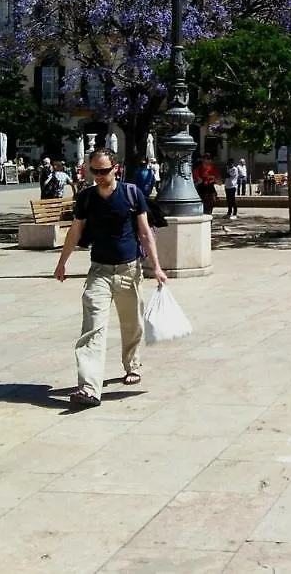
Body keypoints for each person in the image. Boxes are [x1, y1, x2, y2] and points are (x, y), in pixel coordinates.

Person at [54, 148, 166, 408]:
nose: (99, 176)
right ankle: (89, 389)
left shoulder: (131, 193)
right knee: (92, 327)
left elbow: (145, 233)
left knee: (132, 324)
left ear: (116, 168)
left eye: (104, 171)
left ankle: (132, 365)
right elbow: (75, 231)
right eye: (95, 171)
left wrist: (157, 267)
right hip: (99, 271)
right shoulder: (86, 198)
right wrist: (62, 263)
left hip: (129, 270)